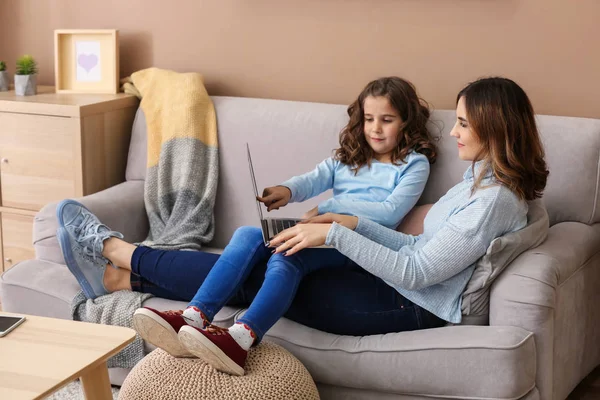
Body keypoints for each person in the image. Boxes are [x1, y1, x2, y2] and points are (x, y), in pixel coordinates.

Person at [57, 76, 548, 377]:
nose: (456, 130)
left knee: (263, 265)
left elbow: (420, 271)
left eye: (463, 122)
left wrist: (335, 233)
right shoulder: (476, 182)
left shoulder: (495, 201)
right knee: (282, 249)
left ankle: (135, 269)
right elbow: (414, 243)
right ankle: (173, 303)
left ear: (494, 127)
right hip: (393, 285)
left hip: (410, 304)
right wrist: (344, 224)